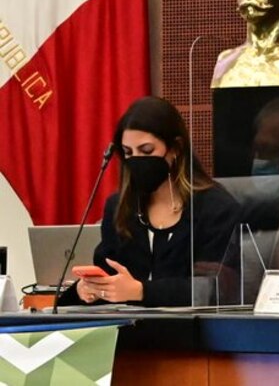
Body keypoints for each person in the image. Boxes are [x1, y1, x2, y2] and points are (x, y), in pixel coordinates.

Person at [59, 97, 241, 307]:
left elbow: (214, 289)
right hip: (127, 330)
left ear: (175, 148)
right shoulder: (119, 207)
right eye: (128, 153)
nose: (136, 160)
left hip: (194, 332)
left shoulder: (216, 208)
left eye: (146, 151)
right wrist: (87, 289)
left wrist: (141, 291)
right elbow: (107, 273)